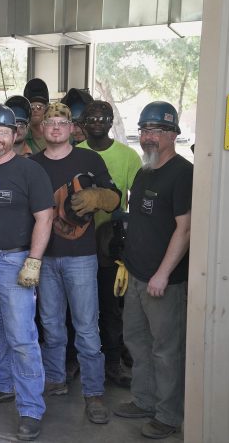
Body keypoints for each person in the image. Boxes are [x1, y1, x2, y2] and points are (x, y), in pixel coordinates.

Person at [30, 103, 121, 425]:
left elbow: (116, 196)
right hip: (45, 257)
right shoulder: (33, 164)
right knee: (52, 326)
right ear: (41, 129)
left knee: (85, 328)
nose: (55, 127)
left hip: (82, 258)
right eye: (50, 122)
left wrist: (102, 196)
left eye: (62, 123)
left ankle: (93, 393)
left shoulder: (89, 160)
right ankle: (55, 379)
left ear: (72, 129)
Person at [0, 104, 53, 441]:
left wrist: (33, 260)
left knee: (21, 337)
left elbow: (44, 218)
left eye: (4, 132)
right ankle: (1, 384)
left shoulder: (30, 172)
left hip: (14, 262)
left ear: (15, 135)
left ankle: (31, 407)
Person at [114, 101, 192, 440]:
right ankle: (144, 400)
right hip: (135, 275)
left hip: (164, 282)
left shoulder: (184, 173)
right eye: (145, 130)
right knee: (137, 341)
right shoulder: (145, 171)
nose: (148, 137)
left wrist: (162, 274)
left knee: (166, 349)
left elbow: (184, 229)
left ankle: (168, 415)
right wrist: (129, 266)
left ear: (173, 135)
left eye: (156, 131)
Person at [77, 100, 142, 388]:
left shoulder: (128, 156)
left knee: (111, 307)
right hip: (75, 243)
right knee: (75, 308)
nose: (97, 121)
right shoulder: (72, 153)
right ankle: (74, 361)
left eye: (103, 117)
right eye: (91, 117)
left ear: (110, 120)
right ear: (83, 122)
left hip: (110, 244)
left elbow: (137, 204)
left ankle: (113, 363)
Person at [23, 78, 50, 153]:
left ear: (46, 109)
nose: (35, 110)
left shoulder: (57, 133)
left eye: (39, 107)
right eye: (31, 107)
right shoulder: (21, 137)